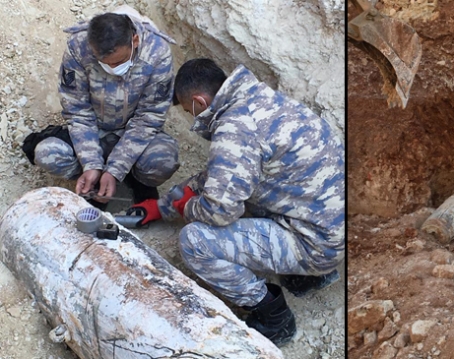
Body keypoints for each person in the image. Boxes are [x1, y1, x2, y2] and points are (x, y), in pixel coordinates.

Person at [127, 58, 345, 346]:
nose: (190, 117)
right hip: (333, 224)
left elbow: (218, 212)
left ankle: (273, 316)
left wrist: (185, 207)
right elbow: (223, 174)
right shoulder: (259, 99)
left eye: (186, 109)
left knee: (194, 241)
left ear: (199, 101)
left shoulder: (235, 129)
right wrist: (161, 206)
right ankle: (306, 277)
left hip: (317, 246)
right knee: (247, 192)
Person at [23, 6, 179, 206]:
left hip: (133, 133)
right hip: (92, 132)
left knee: (162, 160)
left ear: (135, 41)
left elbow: (148, 118)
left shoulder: (157, 52)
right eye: (104, 63)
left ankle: (137, 179)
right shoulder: (79, 45)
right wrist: (90, 163)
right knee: (48, 154)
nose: (113, 69)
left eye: (119, 61)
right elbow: (77, 110)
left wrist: (116, 169)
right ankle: (92, 181)